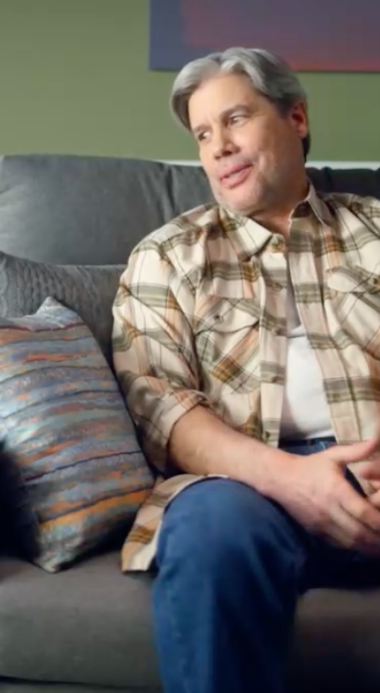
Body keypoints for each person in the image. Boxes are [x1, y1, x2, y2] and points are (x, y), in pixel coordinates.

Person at [111, 46, 380, 693]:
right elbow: (158, 407)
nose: (218, 146)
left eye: (234, 119)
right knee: (208, 532)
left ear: (295, 117)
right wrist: (293, 481)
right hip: (244, 486)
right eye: (203, 134)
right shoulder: (168, 256)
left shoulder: (373, 232)